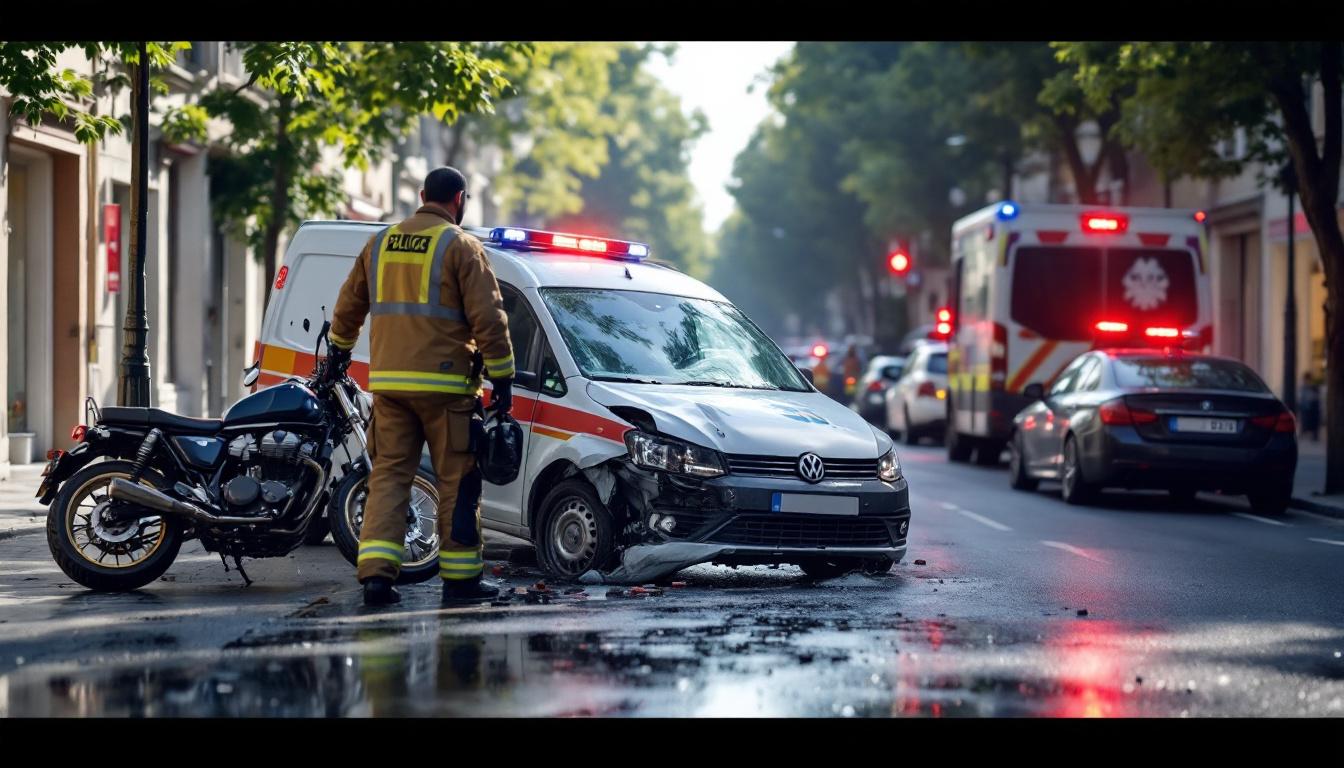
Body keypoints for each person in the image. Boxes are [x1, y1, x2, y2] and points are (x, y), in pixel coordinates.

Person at [326, 166, 515, 607]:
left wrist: (338, 350)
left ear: (422, 194)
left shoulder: (381, 243)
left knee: (389, 477)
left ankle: (377, 577)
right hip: (448, 390)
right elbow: (489, 319)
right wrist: (502, 377)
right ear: (459, 200)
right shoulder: (461, 246)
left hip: (390, 386)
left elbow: (349, 305)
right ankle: (461, 579)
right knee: (457, 482)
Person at [1299, 371, 1321, 441]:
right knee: (1305, 421)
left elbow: (1316, 397)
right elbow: (1302, 398)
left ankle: (1314, 435)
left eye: (1307, 379)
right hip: (1306, 407)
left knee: (1313, 423)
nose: (1306, 381)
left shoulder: (1314, 387)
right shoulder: (1304, 387)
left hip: (1313, 408)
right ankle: (1305, 432)